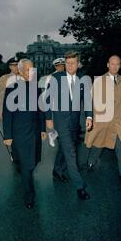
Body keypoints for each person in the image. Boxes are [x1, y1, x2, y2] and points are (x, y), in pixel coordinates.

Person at [45, 51, 92, 200]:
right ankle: (80, 187)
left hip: (75, 120)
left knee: (67, 146)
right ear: (65, 64)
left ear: (78, 63)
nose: (70, 66)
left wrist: (89, 116)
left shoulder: (82, 78)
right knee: (71, 152)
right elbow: (47, 99)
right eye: (68, 63)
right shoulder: (56, 78)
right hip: (60, 120)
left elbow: (87, 99)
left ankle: (57, 169)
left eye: (73, 63)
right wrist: (48, 118)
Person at [85, 55, 121, 185]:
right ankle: (90, 163)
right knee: (98, 144)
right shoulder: (99, 81)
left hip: (118, 123)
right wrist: (91, 119)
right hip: (102, 121)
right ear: (108, 65)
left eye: (117, 64)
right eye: (112, 64)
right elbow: (90, 101)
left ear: (120, 65)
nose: (115, 67)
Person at [3, 59, 46, 209]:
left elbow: (41, 110)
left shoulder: (37, 88)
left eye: (32, 69)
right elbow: (7, 113)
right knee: (28, 165)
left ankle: (26, 175)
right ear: (20, 71)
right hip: (20, 134)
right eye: (27, 70)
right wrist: (7, 135)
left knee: (33, 162)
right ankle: (29, 195)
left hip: (34, 133)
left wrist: (42, 129)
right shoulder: (12, 88)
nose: (30, 72)